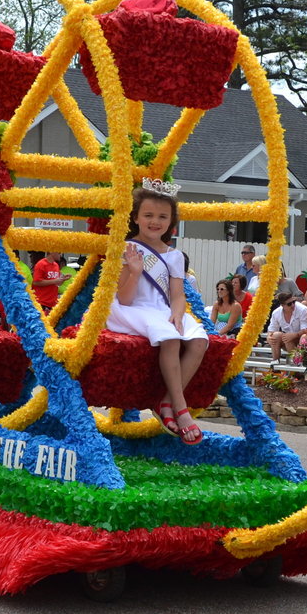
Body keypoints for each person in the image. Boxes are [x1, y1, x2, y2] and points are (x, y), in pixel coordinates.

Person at [105, 183, 208, 444]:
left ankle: (165, 402)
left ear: (171, 221)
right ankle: (181, 410)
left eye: (162, 216)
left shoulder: (174, 256)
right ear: (136, 217)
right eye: (148, 215)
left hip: (162, 310)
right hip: (131, 310)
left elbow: (177, 295)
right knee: (170, 338)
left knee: (198, 340)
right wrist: (136, 271)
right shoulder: (126, 248)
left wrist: (177, 314)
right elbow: (125, 299)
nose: (155, 221)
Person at [266, 287, 307, 359]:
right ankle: (275, 363)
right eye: (289, 304)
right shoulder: (276, 313)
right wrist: (269, 337)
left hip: (301, 339)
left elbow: (306, 330)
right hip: (287, 341)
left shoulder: (302, 309)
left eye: (293, 302)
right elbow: (272, 329)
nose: (292, 305)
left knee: (302, 337)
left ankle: (298, 361)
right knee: (275, 336)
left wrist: (294, 335)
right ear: (282, 305)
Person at [30, 248, 62, 314]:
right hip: (41, 302)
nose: (60, 254)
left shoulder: (56, 265)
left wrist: (63, 279)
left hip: (53, 303)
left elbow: (57, 283)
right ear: (51, 251)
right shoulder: (41, 264)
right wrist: (55, 281)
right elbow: (36, 282)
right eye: (59, 252)